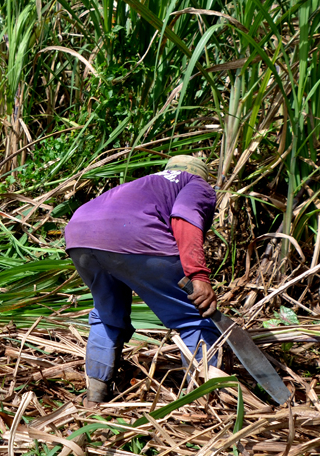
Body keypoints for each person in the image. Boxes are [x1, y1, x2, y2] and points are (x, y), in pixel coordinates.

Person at [64, 155, 220, 406]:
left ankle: (94, 398)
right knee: (194, 316)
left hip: (79, 235)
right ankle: (202, 400)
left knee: (107, 314)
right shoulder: (197, 184)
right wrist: (198, 275)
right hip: (131, 235)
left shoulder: (145, 182)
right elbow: (185, 218)